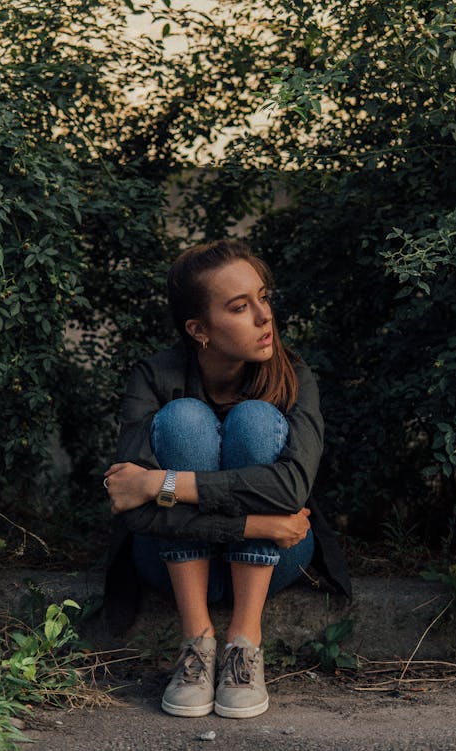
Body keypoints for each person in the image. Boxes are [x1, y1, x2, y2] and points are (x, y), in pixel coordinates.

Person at [103, 239, 350, 720]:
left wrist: (161, 484)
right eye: (240, 307)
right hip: (169, 558)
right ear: (199, 329)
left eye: (264, 298)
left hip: (277, 556)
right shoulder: (154, 377)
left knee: (256, 420)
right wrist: (253, 525)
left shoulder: (295, 376)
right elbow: (132, 511)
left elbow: (290, 490)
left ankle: (243, 643)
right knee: (184, 421)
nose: (264, 317)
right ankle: (196, 642)